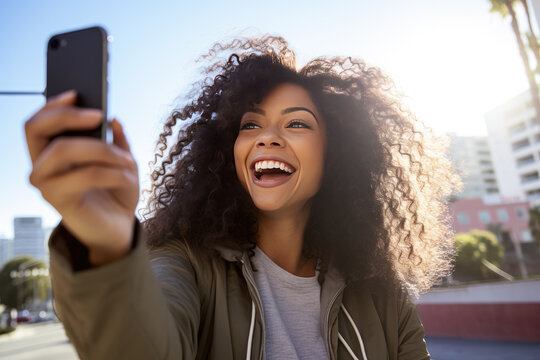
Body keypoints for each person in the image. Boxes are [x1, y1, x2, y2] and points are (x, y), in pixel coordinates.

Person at [24, 35, 459, 359]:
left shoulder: (386, 298)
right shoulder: (184, 264)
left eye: (297, 124)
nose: (267, 138)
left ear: (336, 155)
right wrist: (106, 246)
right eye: (250, 125)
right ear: (228, 152)